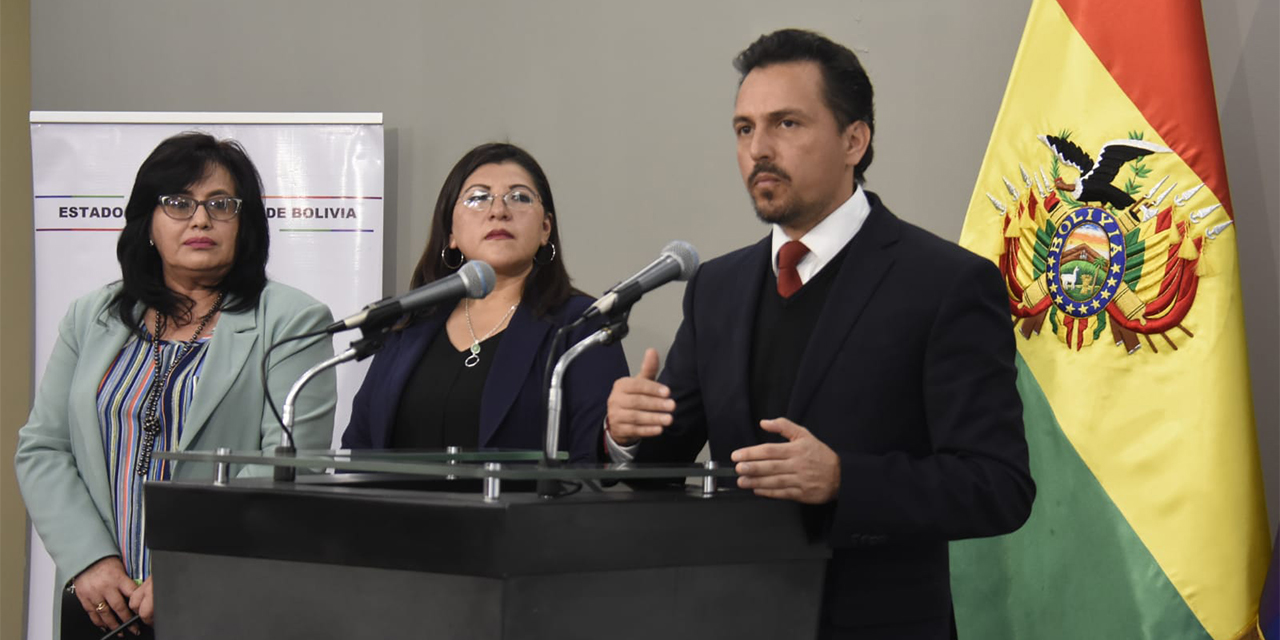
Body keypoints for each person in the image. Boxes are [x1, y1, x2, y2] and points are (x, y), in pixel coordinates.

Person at [604, 29, 1035, 640]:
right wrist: (626, 435)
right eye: (744, 129)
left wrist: (843, 480)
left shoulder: (944, 283)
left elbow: (998, 487)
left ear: (854, 139)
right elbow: (662, 463)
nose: (759, 150)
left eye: (786, 124)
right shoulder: (717, 288)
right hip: (732, 616)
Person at [14, 132, 337, 637]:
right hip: (100, 601)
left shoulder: (291, 320)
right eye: (178, 203)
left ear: (245, 224)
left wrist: (189, 566)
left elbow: (291, 470)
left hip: (224, 599)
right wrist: (89, 560)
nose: (201, 219)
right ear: (148, 223)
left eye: (221, 205)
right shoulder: (92, 316)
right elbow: (44, 448)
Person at [342, 142, 627, 462]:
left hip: (520, 513)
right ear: (450, 232)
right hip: (398, 513)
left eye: (519, 197)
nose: (498, 211)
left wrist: (618, 437)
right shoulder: (406, 324)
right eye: (478, 197)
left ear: (545, 228)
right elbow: (360, 446)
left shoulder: (580, 324)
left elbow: (591, 458)